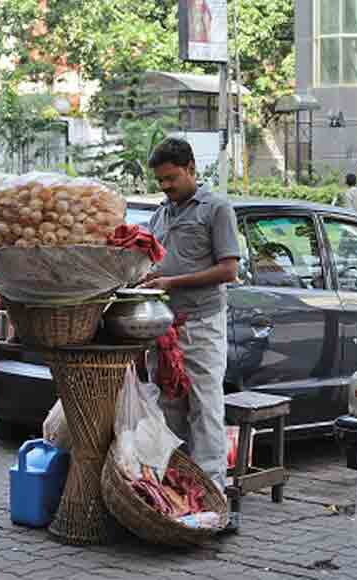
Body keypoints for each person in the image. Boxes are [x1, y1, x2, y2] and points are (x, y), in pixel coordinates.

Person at [142, 137, 241, 491]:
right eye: (160, 181)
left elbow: (229, 270)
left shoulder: (216, 209)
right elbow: (153, 264)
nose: (165, 187)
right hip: (164, 329)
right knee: (168, 410)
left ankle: (212, 496)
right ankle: (175, 494)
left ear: (191, 170)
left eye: (171, 178)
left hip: (202, 326)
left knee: (205, 410)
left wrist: (172, 281)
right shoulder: (160, 214)